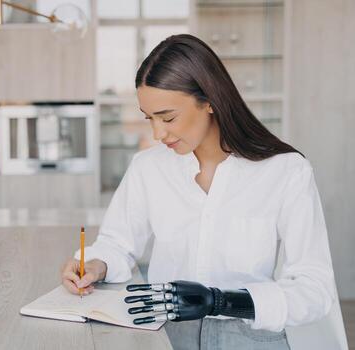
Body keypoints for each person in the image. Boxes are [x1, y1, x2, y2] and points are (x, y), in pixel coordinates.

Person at [60, 34, 336, 349]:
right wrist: (95, 264)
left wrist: (221, 301)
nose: (157, 133)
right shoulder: (148, 168)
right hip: (166, 331)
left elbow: (314, 289)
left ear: (209, 100)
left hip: (250, 334)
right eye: (149, 118)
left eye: (168, 117)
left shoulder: (286, 171)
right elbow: (116, 244)